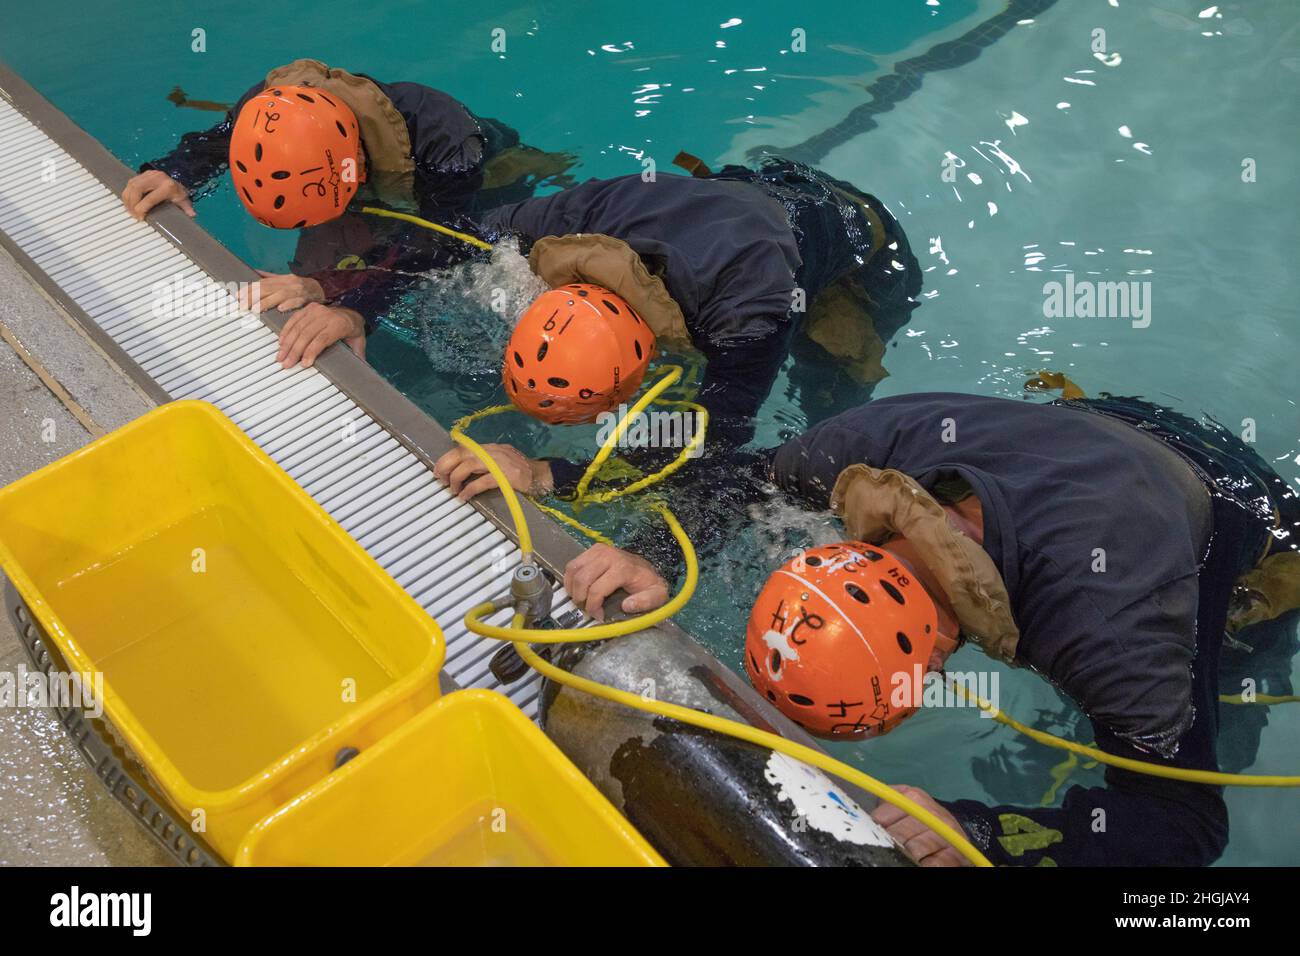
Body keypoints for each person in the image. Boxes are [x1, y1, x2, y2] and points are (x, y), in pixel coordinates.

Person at [476, 388, 1300, 866]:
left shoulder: (1107, 626)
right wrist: (648, 549)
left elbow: (1188, 825)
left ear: (935, 661)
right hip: (1106, 425)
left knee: (1230, 669)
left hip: (1236, 509)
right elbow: (734, 477)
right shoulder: (856, 458)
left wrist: (982, 831)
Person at [422, 157, 921, 492]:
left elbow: (710, 440)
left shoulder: (748, 316)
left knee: (830, 402)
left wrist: (549, 474)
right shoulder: (582, 215)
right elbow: (456, 236)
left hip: (864, 246)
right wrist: (355, 306)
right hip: (762, 189)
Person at [119, 58, 572, 366]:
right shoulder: (271, 107)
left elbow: (442, 240)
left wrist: (356, 305)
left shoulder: (445, 138)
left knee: (471, 275)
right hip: (372, 179)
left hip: (478, 182)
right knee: (310, 296)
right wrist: (176, 171)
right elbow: (222, 138)